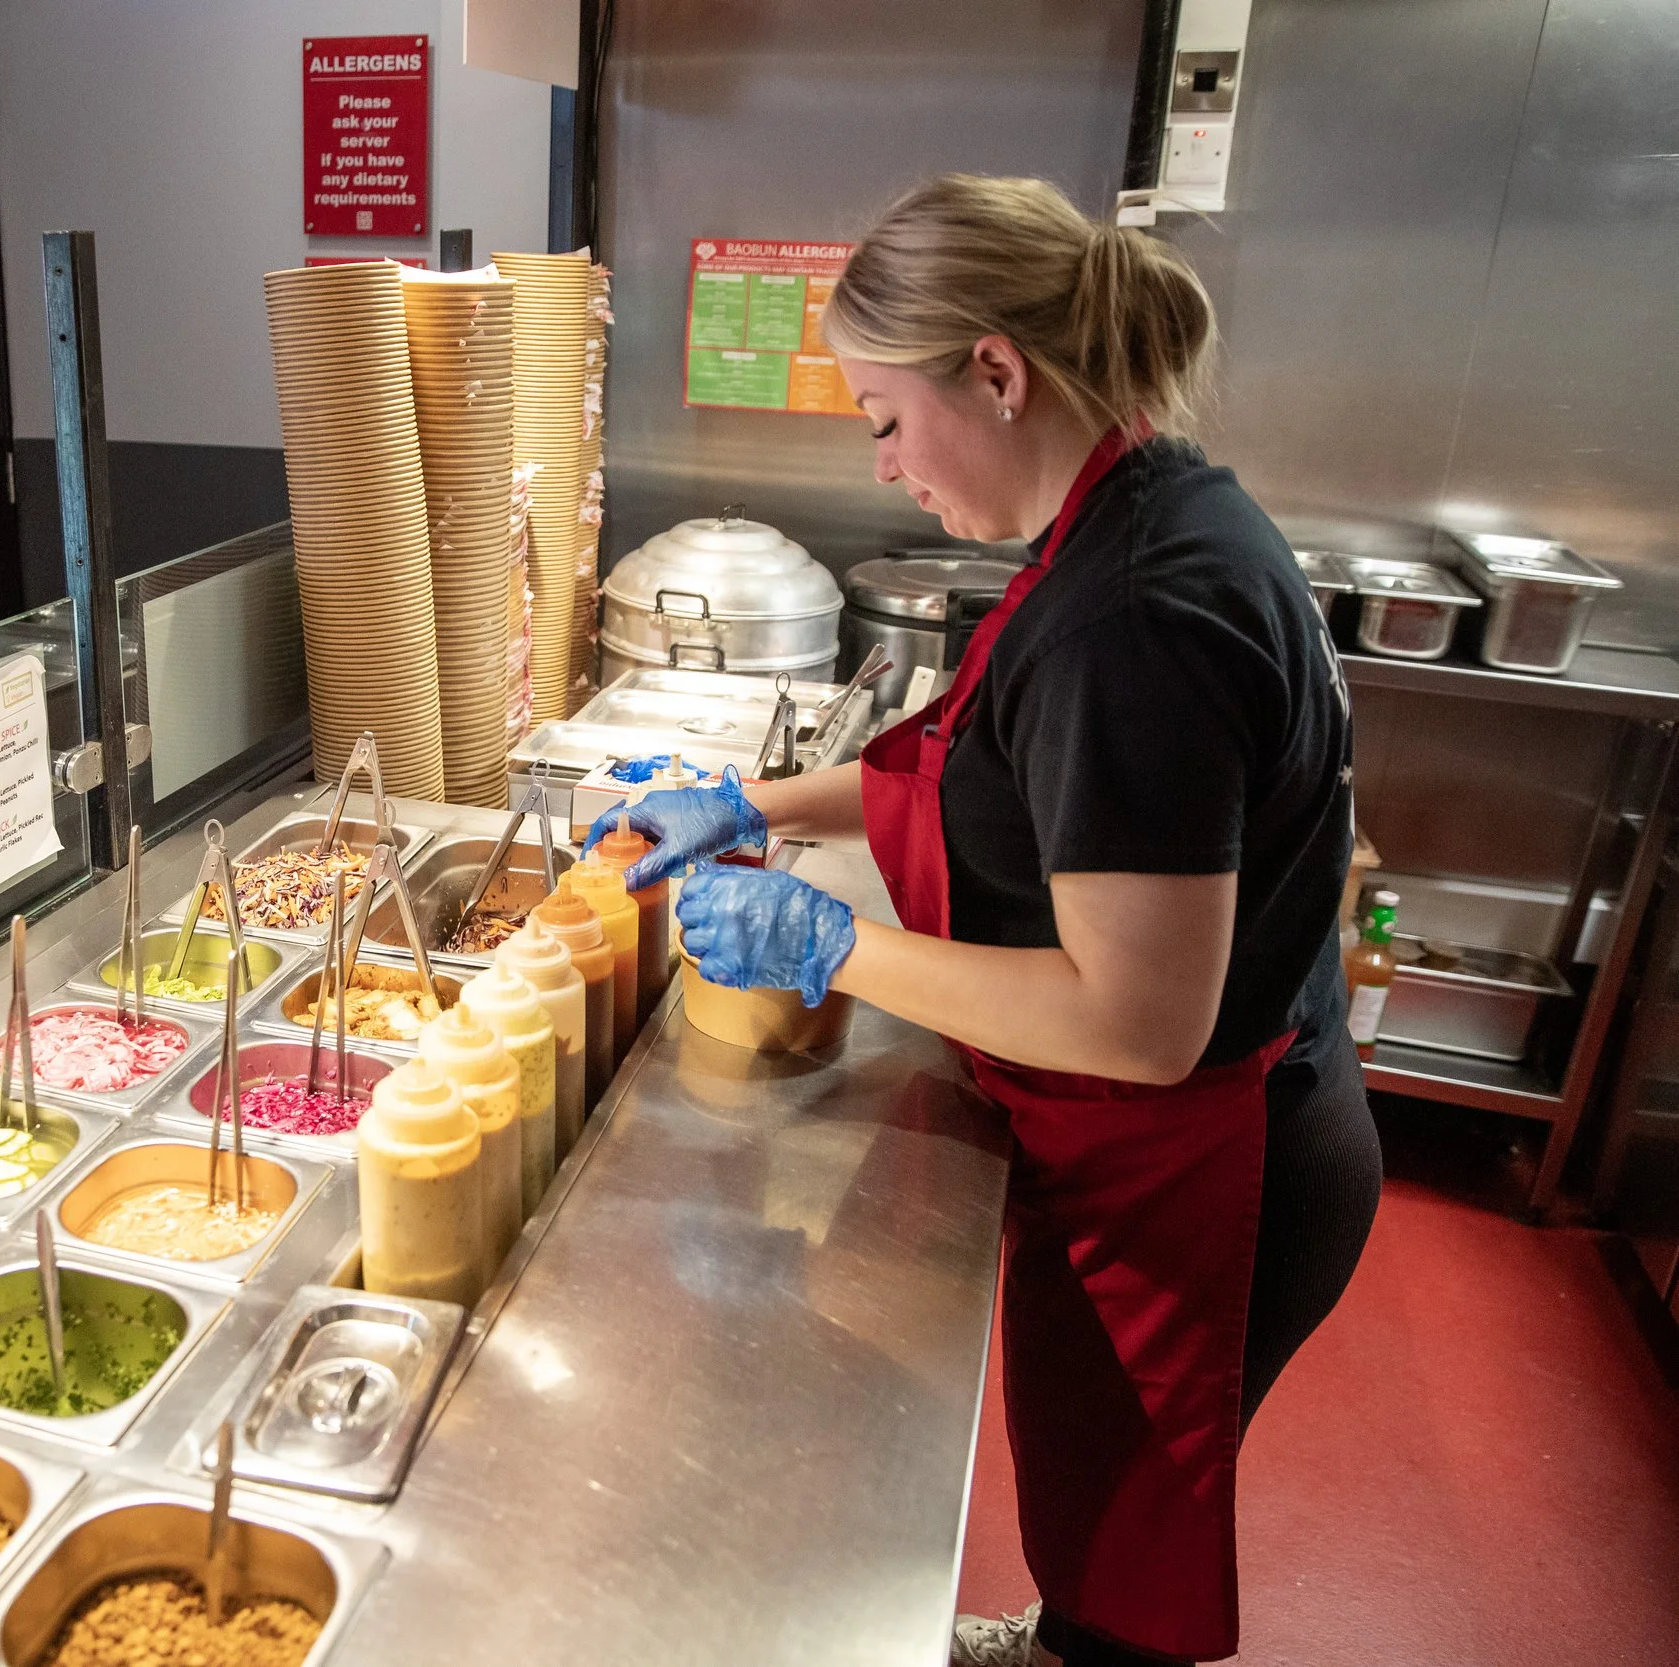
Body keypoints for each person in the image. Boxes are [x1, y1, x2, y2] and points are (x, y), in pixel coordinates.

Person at [592, 176, 1382, 1667]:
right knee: (1096, 1536)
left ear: (997, 372)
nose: (887, 466)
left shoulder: (1138, 612)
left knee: (1130, 1575)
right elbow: (985, 765)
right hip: (1221, 1123)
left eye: (887, 418)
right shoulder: (1139, 509)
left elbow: (1135, 1023)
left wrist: (828, 945)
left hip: (1213, 1163)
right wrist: (761, 804)